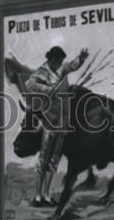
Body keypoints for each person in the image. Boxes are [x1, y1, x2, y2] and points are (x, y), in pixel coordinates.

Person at [24, 44, 89, 207]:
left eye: (61, 61)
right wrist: (47, 89)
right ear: (51, 60)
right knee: (43, 159)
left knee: (54, 160)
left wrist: (81, 58)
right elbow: (29, 84)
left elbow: (73, 65)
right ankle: (38, 196)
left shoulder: (62, 68)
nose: (60, 64)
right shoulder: (42, 72)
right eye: (58, 61)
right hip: (50, 119)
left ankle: (46, 194)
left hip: (63, 120)